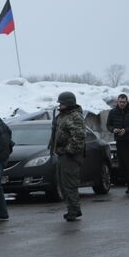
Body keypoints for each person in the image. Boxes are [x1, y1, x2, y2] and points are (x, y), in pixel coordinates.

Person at [49, 91, 86, 222]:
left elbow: (79, 137)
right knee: (64, 184)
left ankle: (74, 210)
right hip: (62, 154)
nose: (60, 105)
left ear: (69, 103)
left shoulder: (75, 117)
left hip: (70, 156)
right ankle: (72, 208)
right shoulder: (62, 116)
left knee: (70, 184)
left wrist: (68, 150)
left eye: (63, 103)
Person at [106, 94, 129, 194]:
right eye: (120, 102)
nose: (122, 104)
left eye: (123, 102)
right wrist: (114, 129)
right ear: (117, 102)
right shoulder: (112, 112)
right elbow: (108, 125)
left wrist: (126, 130)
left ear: (127, 102)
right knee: (125, 164)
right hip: (121, 142)